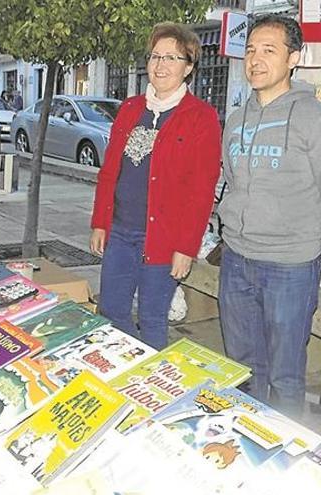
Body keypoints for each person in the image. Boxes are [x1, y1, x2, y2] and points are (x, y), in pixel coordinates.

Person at [217, 14, 321, 420]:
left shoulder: (319, 121)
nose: (256, 60)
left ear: (294, 57)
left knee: (285, 375)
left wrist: (312, 249)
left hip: (289, 269)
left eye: (269, 50)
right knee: (241, 367)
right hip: (237, 260)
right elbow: (229, 180)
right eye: (250, 50)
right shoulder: (236, 120)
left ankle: (282, 454)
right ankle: (246, 435)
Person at [90, 22, 221, 350]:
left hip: (163, 239)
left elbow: (202, 191)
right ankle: (127, 375)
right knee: (111, 311)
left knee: (152, 321)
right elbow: (109, 172)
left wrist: (186, 248)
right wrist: (99, 222)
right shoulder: (131, 109)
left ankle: (155, 391)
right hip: (120, 232)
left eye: (172, 58)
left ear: (188, 67)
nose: (161, 65)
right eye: (155, 56)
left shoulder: (200, 117)